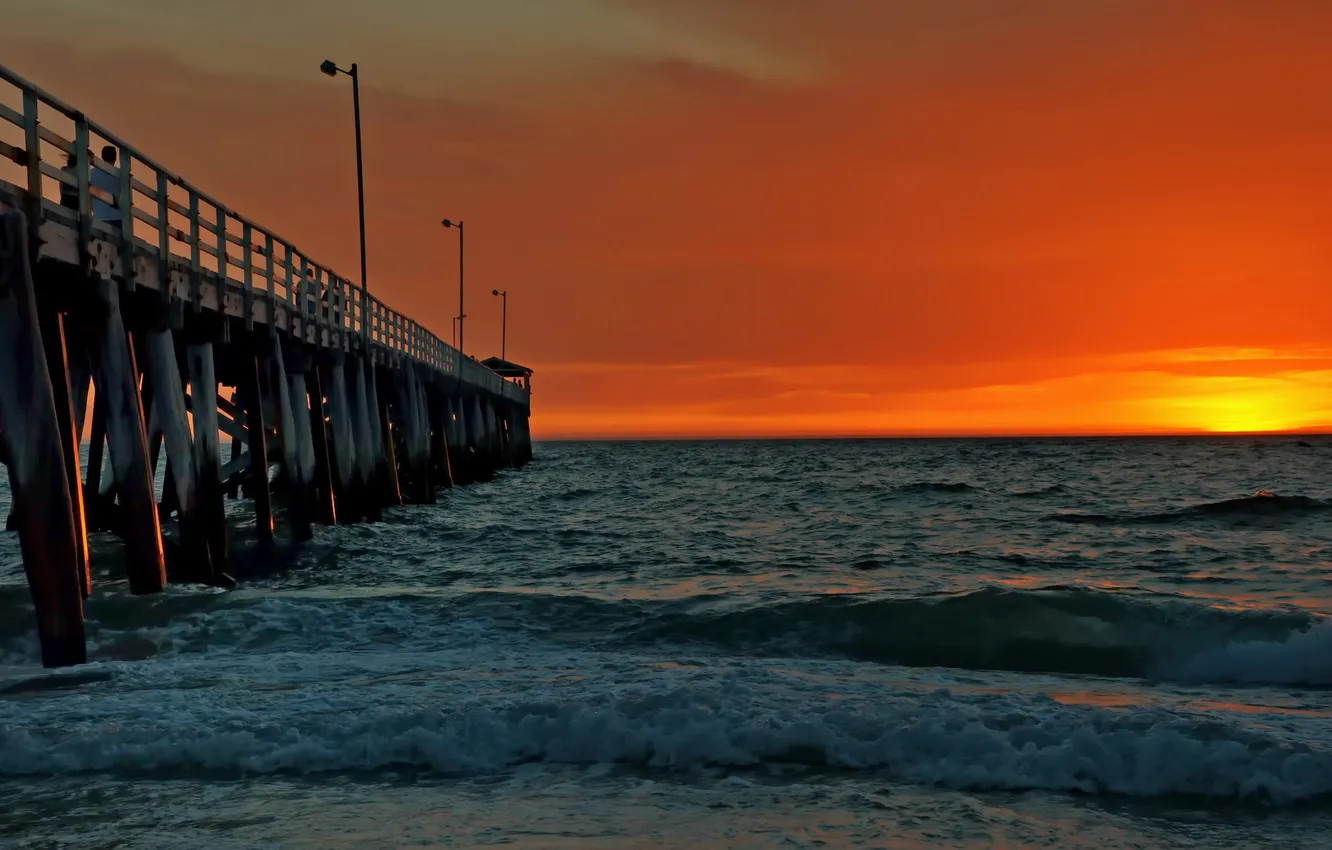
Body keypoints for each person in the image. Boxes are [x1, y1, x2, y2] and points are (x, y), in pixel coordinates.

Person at [90, 145, 121, 222]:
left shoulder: (92, 173)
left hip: (98, 217)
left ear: (102, 156)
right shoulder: (120, 174)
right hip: (117, 217)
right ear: (115, 157)